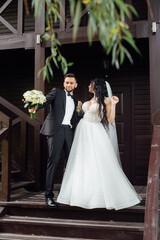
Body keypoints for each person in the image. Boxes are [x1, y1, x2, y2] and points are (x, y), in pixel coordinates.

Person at [57, 78, 141, 210]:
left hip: (96, 131)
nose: (89, 86)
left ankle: (100, 196)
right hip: (82, 131)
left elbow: (111, 119)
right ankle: (81, 194)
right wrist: (79, 109)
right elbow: (81, 115)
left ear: (97, 87)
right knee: (82, 161)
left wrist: (113, 104)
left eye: (91, 84)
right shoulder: (88, 101)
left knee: (98, 161)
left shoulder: (107, 100)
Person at [30, 73, 82, 208]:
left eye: (71, 83)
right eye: (67, 82)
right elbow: (45, 101)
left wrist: (81, 112)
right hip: (55, 131)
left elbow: (75, 120)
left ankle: (66, 194)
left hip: (68, 131)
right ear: (64, 83)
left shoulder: (76, 101)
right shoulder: (56, 92)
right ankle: (48, 196)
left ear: (76, 85)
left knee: (70, 163)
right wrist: (34, 107)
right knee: (54, 161)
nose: (69, 85)